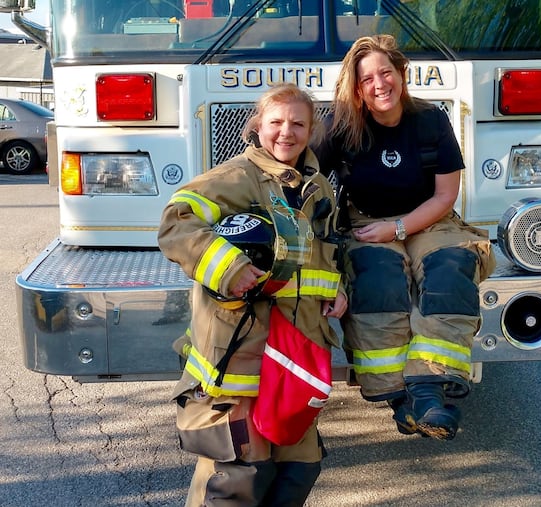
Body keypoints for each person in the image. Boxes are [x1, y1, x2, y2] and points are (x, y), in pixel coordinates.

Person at [158, 83, 347, 506]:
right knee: (239, 475)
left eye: (298, 123)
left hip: (295, 357)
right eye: (276, 122)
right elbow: (175, 224)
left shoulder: (318, 188)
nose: (287, 132)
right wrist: (231, 268)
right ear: (257, 126)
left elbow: (324, 251)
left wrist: (338, 288)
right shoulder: (236, 177)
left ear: (312, 129)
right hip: (239, 356)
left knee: (299, 468)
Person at [314, 35, 495, 441]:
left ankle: (430, 392)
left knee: (451, 267)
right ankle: (399, 398)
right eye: (366, 79)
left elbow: (446, 195)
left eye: (385, 72)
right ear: (356, 88)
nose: (379, 84)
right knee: (378, 278)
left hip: (431, 220)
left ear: (402, 73)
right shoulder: (339, 127)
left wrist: (397, 229)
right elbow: (296, 170)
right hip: (366, 221)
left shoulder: (431, 121)